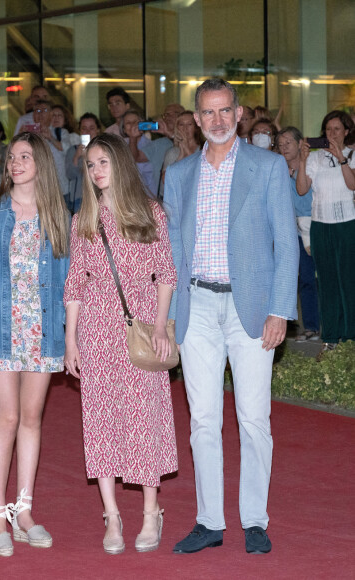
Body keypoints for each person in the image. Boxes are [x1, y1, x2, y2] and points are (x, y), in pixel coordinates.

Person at [164, 78, 298, 555]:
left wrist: (280, 309)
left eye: (226, 112)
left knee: (253, 418)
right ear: (197, 121)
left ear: (238, 114)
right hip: (196, 306)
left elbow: (287, 244)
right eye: (208, 114)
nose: (218, 121)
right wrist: (168, 316)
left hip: (252, 308)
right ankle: (209, 521)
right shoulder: (179, 175)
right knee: (202, 419)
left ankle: (255, 520)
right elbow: (173, 252)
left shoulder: (267, 167)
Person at [64, 133, 178, 555]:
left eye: (103, 163)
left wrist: (162, 327)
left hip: (140, 331)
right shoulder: (83, 221)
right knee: (102, 422)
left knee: (145, 418)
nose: (96, 171)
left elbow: (166, 272)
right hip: (95, 332)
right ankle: (112, 515)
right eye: (90, 165)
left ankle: (151, 512)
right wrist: (70, 340)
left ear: (121, 165)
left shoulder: (151, 213)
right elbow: (74, 281)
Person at [0, 132, 70, 557]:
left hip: (43, 332)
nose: (15, 162)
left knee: (31, 419)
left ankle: (24, 512)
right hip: (1, 331)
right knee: (4, 420)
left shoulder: (59, 215)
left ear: (41, 163)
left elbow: (68, 284)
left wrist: (70, 336)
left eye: (25, 156)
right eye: (11, 157)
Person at [296, 110, 355, 358]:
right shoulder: (315, 159)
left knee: (348, 282)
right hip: (321, 225)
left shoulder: (352, 155)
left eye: (337, 129)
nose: (332, 134)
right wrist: (301, 159)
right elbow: (301, 190)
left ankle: (350, 339)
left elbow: (352, 185)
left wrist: (341, 158)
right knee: (327, 283)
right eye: (328, 130)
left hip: (347, 224)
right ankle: (330, 338)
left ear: (347, 131)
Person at [275, 127, 320, 342]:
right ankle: (310, 326)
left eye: (288, 143)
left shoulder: (312, 165)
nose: (283, 148)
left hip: (317, 227)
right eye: (280, 144)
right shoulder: (276, 169)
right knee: (305, 281)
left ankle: (329, 325)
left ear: (300, 143)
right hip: (292, 232)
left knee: (324, 279)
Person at [144, 103, 185, 199]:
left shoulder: (194, 138)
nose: (169, 117)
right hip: (163, 197)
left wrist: (169, 134)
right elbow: (136, 157)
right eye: (166, 115)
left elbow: (185, 148)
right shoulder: (159, 142)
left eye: (174, 113)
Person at [65, 112, 101, 213]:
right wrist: (77, 156)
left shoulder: (103, 150)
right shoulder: (73, 150)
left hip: (100, 196)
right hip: (79, 198)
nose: (88, 131)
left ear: (98, 130)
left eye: (91, 128)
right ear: (80, 130)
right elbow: (70, 175)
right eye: (84, 128)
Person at [32, 100, 68, 195]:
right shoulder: (28, 134)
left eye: (44, 110)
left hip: (60, 189)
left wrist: (50, 138)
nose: (40, 114)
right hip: (37, 190)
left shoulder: (60, 132)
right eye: (37, 111)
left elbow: (66, 149)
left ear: (50, 114)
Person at [120, 109, 156, 196]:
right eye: (128, 123)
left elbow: (133, 159)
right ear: (124, 129)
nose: (133, 125)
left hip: (147, 196)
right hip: (125, 195)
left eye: (136, 122)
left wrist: (133, 138)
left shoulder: (151, 145)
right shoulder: (120, 145)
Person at [161, 110, 204, 177]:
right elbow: (165, 179)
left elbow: (199, 173)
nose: (185, 128)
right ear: (177, 128)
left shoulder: (204, 149)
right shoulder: (173, 152)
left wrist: (186, 149)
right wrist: (181, 156)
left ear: (196, 127)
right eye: (181, 124)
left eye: (189, 124)